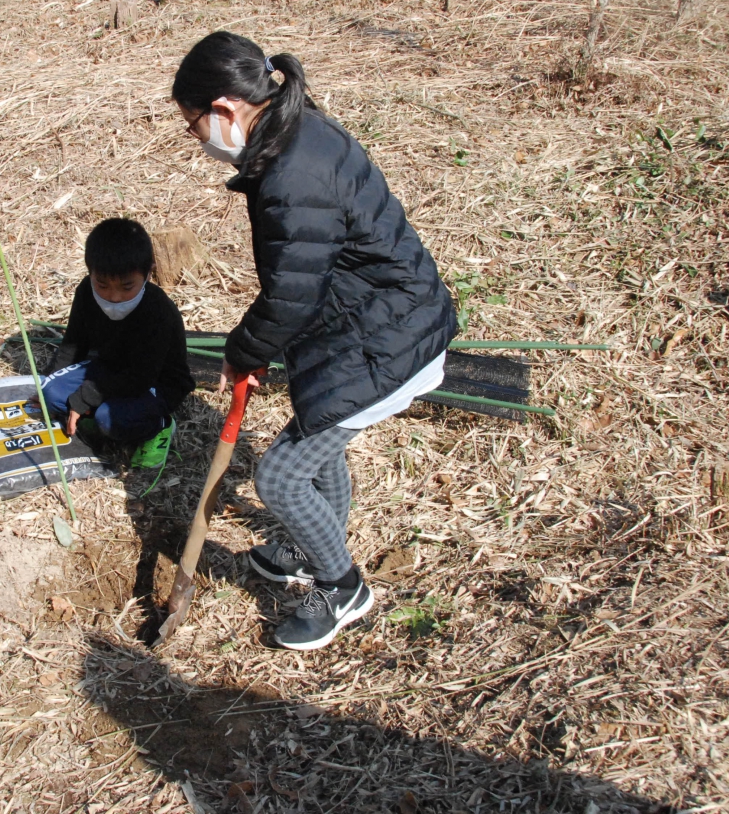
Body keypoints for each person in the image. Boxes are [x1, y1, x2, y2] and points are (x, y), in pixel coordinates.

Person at [172, 32, 456, 652]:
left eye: (193, 125)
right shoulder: (295, 130)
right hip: (370, 319)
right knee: (317, 443)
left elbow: (290, 296)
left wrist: (243, 351)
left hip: (387, 339)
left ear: (224, 109)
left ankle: (342, 587)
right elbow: (304, 280)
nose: (198, 141)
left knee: (279, 479)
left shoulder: (291, 177)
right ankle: (310, 546)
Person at [41, 218, 194, 469]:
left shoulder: (158, 311)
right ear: (90, 272)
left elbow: (140, 376)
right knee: (51, 393)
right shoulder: (85, 293)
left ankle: (160, 427)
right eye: (102, 285)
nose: (113, 296)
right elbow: (74, 343)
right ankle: (95, 413)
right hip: (108, 369)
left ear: (147, 273)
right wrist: (47, 380)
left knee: (110, 420)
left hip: (155, 382)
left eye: (127, 287)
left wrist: (85, 397)